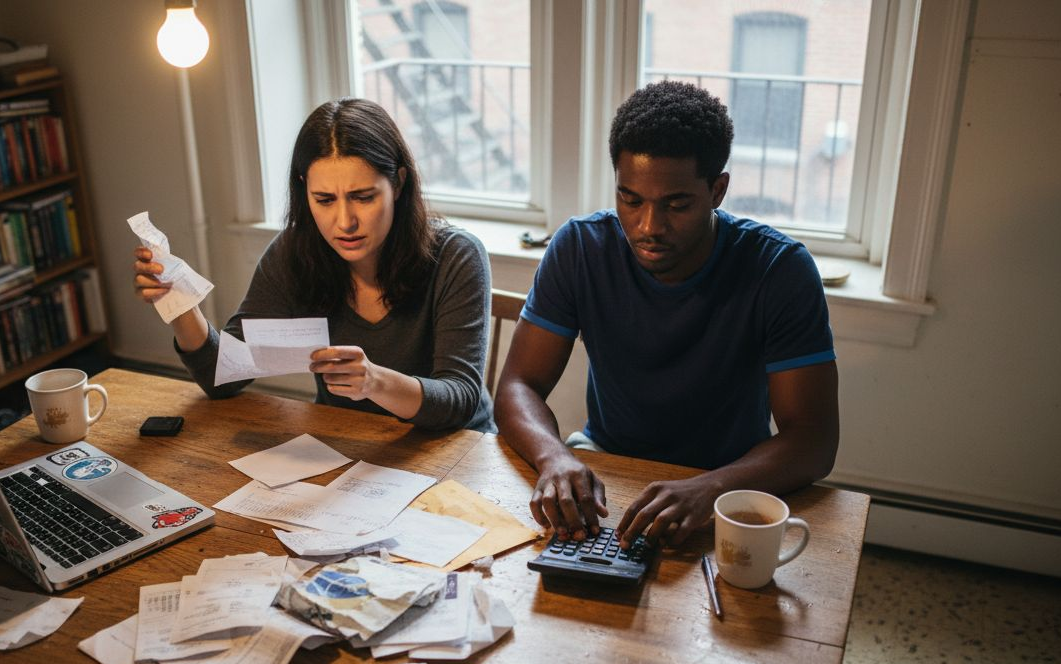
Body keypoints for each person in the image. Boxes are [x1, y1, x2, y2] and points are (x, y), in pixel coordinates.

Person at [494, 80, 838, 548]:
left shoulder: (779, 269)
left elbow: (813, 441)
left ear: (717, 190)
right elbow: (518, 384)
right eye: (630, 199)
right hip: (607, 464)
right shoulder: (580, 247)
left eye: (676, 204)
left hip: (730, 483)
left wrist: (714, 487)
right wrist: (553, 455)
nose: (648, 226)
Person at [133, 98, 494, 432]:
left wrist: (374, 381)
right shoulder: (295, 252)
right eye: (324, 200)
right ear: (304, 189)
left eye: (363, 197)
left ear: (398, 183)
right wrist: (179, 303)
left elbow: (460, 399)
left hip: (456, 451)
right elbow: (223, 376)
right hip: (350, 445)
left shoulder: (456, 255)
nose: (344, 222)